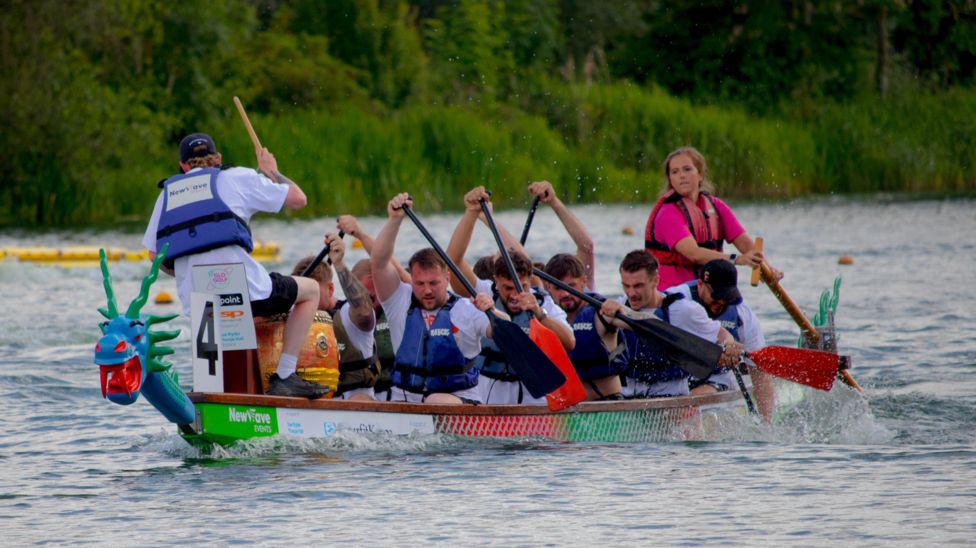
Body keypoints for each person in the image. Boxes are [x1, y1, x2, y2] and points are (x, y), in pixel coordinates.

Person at [142, 132, 327, 398]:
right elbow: (299, 199)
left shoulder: (167, 195)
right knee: (310, 290)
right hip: (245, 292)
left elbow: (153, 255)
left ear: (183, 166)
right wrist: (271, 171)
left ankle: (208, 398)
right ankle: (285, 375)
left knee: (210, 370)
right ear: (217, 159)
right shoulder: (237, 176)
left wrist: (184, 268)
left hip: (200, 301)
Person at [446, 187, 575, 404]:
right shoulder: (485, 291)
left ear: (530, 280)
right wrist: (470, 214)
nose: (515, 294)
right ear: (495, 280)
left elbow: (569, 342)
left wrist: (539, 314)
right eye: (507, 288)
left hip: (534, 393)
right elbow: (453, 261)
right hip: (489, 390)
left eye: (521, 287)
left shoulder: (542, 301)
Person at [370, 193, 499, 404]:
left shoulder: (467, 309)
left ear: (447, 278)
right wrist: (394, 220)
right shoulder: (398, 301)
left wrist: (493, 311)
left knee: (435, 400)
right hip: (405, 402)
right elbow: (379, 261)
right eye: (420, 284)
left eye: (434, 283)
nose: (427, 290)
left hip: (458, 402)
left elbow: (500, 330)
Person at [600, 250, 742, 398]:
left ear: (655, 280)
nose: (631, 293)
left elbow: (722, 334)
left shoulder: (682, 310)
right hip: (627, 396)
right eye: (626, 286)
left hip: (671, 398)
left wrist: (730, 345)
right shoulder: (618, 306)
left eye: (638, 286)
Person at [644, 146, 779, 290]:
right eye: (675, 172)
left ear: (700, 174)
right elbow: (693, 253)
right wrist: (738, 260)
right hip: (673, 294)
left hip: (707, 291)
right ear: (670, 180)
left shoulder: (715, 206)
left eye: (687, 169)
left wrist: (768, 269)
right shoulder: (667, 213)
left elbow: (746, 245)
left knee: (737, 306)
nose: (681, 175)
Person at [675, 259, 775, 418]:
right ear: (700, 285)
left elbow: (759, 370)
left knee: (687, 404)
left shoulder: (742, 314)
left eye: (726, 297)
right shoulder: (677, 301)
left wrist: (766, 421)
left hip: (715, 381)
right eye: (716, 296)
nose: (721, 302)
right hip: (674, 378)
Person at [292, 232, 378, 400]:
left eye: (312, 291)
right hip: (311, 405)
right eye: (301, 292)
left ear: (330, 289)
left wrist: (338, 263)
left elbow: (364, 311)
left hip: (353, 401)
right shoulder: (292, 317)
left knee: (358, 400)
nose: (305, 298)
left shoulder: (348, 314)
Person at [336, 214, 410, 401]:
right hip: (365, 394)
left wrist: (359, 233)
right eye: (367, 296)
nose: (372, 301)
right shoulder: (347, 314)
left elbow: (384, 262)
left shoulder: (398, 305)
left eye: (377, 292)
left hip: (402, 394)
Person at [543, 253, 626, 401]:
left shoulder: (601, 313)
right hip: (569, 412)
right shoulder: (545, 316)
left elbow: (631, 320)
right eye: (558, 287)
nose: (565, 293)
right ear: (548, 287)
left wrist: (621, 310)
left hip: (609, 408)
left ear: (584, 282)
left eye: (571, 286)